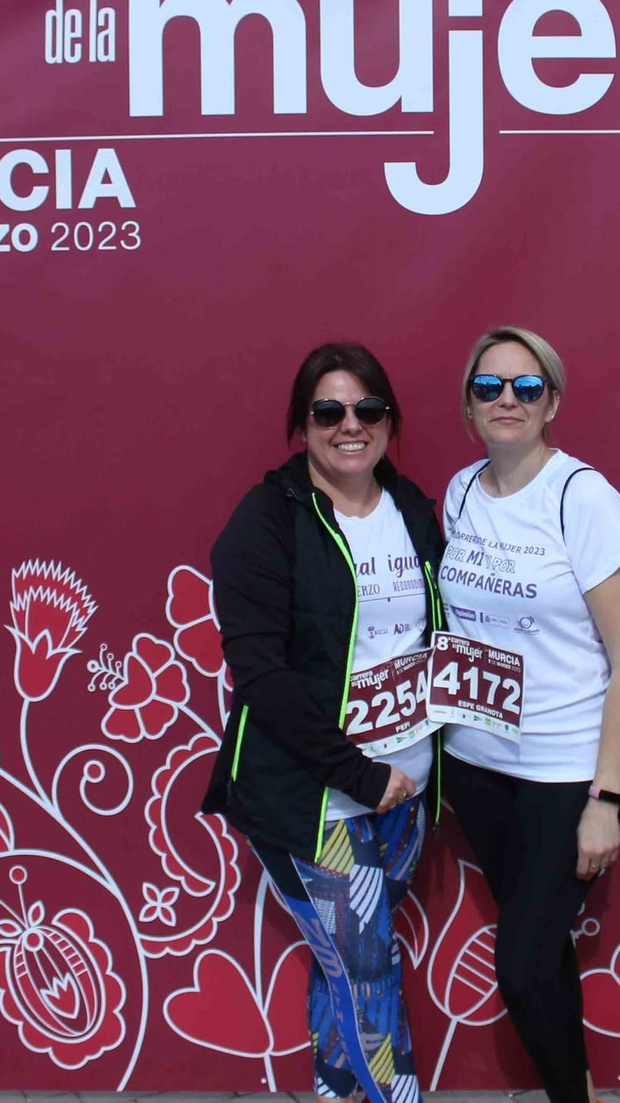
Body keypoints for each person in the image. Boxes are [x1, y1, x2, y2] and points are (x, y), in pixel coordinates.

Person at [203, 342, 447, 1103]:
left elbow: (438, 635)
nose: (351, 425)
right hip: (319, 796)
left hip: (405, 788)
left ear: (389, 421)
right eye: (330, 411)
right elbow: (263, 678)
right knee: (368, 971)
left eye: (368, 409)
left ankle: (341, 1092)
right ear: (301, 425)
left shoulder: (411, 507)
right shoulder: (266, 521)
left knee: (351, 963)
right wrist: (357, 774)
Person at [436, 325, 620, 1103]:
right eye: (489, 386)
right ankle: (581, 1089)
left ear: (551, 401)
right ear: (469, 403)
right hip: (479, 767)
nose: (506, 401)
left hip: (566, 772)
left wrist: (605, 797)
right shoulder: (459, 492)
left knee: (521, 968)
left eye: (526, 388)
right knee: (543, 949)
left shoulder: (582, 497)